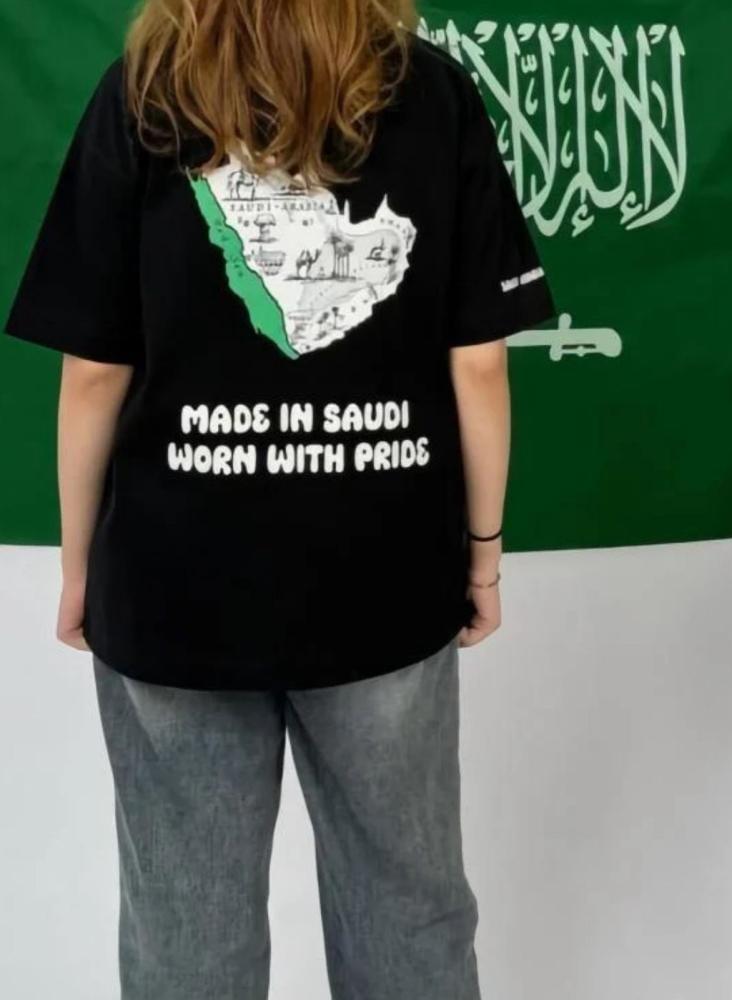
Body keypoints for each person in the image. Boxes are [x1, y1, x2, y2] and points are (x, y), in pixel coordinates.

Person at [3, 1, 557, 997]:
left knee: (185, 924)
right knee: (409, 909)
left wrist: (81, 565)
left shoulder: (146, 91)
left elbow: (92, 373)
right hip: (385, 583)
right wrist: (482, 555)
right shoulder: (430, 91)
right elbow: (478, 363)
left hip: (171, 592)